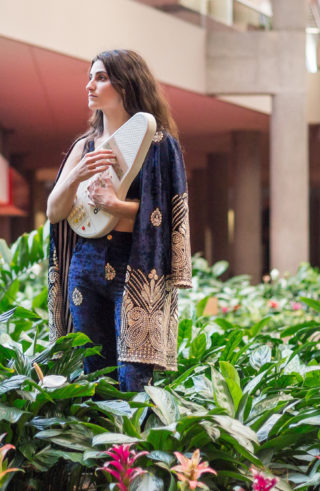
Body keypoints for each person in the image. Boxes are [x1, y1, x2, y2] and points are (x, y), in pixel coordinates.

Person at [46, 49, 191, 392]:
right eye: (89, 77)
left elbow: (168, 215)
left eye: (101, 78)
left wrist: (115, 204)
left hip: (138, 267)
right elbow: (54, 212)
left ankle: (133, 446)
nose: (90, 86)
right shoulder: (84, 147)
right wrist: (76, 174)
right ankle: (98, 445)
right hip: (85, 264)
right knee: (93, 373)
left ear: (126, 85)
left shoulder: (159, 145)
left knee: (134, 378)